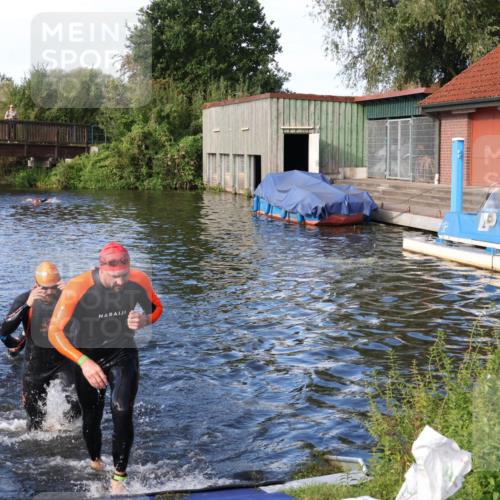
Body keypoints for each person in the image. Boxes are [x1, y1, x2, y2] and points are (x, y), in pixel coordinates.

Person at [48, 242, 163, 493]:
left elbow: (157, 308)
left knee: (122, 408)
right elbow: (54, 332)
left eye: (124, 275)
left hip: (123, 352)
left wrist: (145, 319)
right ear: (101, 269)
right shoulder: (78, 288)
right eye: (114, 277)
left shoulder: (139, 279)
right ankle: (96, 460)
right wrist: (83, 362)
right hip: (86, 357)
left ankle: (119, 477)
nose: (121, 282)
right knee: (92, 416)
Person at [0, 261, 81, 431]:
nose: (50, 292)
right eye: (45, 288)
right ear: (36, 285)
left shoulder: (66, 297)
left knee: (75, 403)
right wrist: (27, 305)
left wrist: (73, 297)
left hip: (63, 360)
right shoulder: (24, 299)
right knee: (35, 419)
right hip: (35, 363)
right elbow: (5, 329)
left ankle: (65, 432)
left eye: (54, 287)